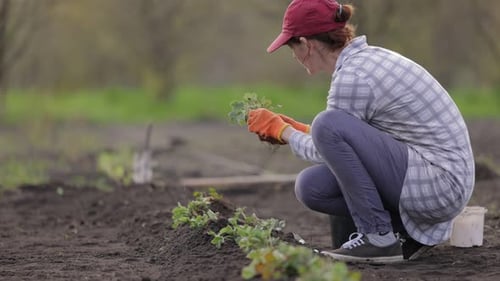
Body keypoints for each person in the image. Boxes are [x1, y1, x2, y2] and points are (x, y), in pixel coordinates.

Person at [247, 0, 475, 264]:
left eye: (291, 46)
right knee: (312, 187)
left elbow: (329, 141)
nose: (293, 55)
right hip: (436, 178)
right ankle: (403, 233)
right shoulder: (367, 60)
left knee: (326, 124)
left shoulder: (353, 77)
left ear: (306, 43)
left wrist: (282, 131)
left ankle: (378, 237)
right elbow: (352, 144)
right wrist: (299, 129)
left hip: (439, 186)